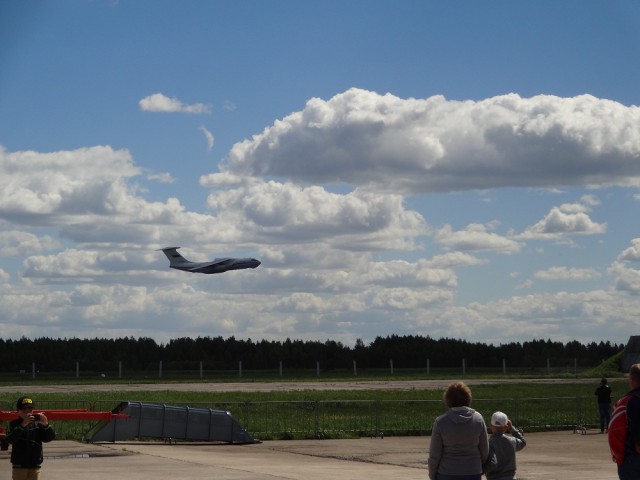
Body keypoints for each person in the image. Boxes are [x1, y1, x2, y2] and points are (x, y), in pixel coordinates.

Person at [428, 381, 489, 480]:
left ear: (448, 399)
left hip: (447, 472)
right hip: (473, 471)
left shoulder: (440, 422)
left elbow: (434, 454)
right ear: (468, 397)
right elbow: (485, 450)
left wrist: (432, 474)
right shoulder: (478, 419)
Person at [6, 396, 55, 480]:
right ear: (18, 411)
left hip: (35, 465)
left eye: (30, 410)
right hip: (19, 465)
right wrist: (23, 425)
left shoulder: (38, 424)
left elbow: (48, 438)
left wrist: (46, 425)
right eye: (24, 410)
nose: (27, 413)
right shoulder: (13, 424)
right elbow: (10, 439)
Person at [609, 364, 640, 479]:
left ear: (631, 380)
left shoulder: (625, 403)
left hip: (633, 460)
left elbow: (615, 432)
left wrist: (620, 459)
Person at [484, 411, 526, 480]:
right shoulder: (512, 441)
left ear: (490, 426)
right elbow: (523, 442)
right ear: (506, 427)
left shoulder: (488, 443)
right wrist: (512, 428)